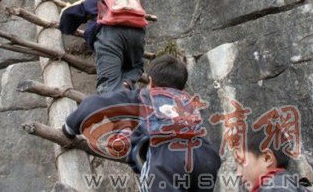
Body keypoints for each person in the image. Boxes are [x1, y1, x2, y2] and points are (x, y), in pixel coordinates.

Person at [61, 55, 221, 191]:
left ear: (150, 81)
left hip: (167, 160)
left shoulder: (143, 97)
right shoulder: (188, 104)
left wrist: (69, 128)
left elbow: (93, 105)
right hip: (206, 157)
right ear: (182, 87)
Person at [59, 0, 147, 93]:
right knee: (136, 66)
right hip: (137, 35)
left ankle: (113, 103)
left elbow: (77, 12)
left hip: (110, 36)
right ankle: (127, 81)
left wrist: (65, 27)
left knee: (109, 85)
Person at [236, 128, 313, 192]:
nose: (238, 173)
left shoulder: (275, 187)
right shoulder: (283, 185)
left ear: (267, 158)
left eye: (242, 163)